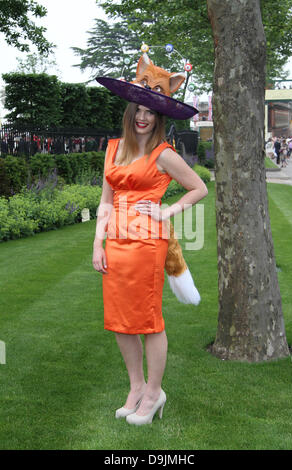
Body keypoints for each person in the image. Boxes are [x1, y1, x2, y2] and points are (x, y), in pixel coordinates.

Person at [92, 53, 208, 426]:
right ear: (130, 112)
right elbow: (105, 201)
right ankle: (136, 387)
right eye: (138, 110)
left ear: (159, 119)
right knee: (120, 320)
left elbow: (199, 188)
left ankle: (155, 393)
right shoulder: (113, 148)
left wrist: (167, 212)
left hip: (146, 244)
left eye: (151, 113)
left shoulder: (163, 154)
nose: (143, 117)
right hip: (116, 244)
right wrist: (98, 244)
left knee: (147, 319)